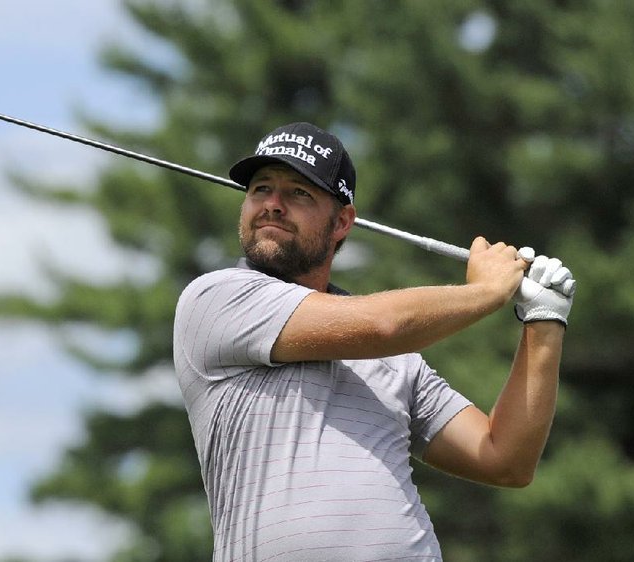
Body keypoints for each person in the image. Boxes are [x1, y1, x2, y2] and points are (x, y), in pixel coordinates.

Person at [173, 122, 574, 561]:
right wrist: (486, 291)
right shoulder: (217, 298)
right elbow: (379, 326)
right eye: (260, 189)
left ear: (342, 221)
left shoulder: (399, 360)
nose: (272, 205)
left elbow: (505, 460)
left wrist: (544, 320)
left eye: (298, 193)